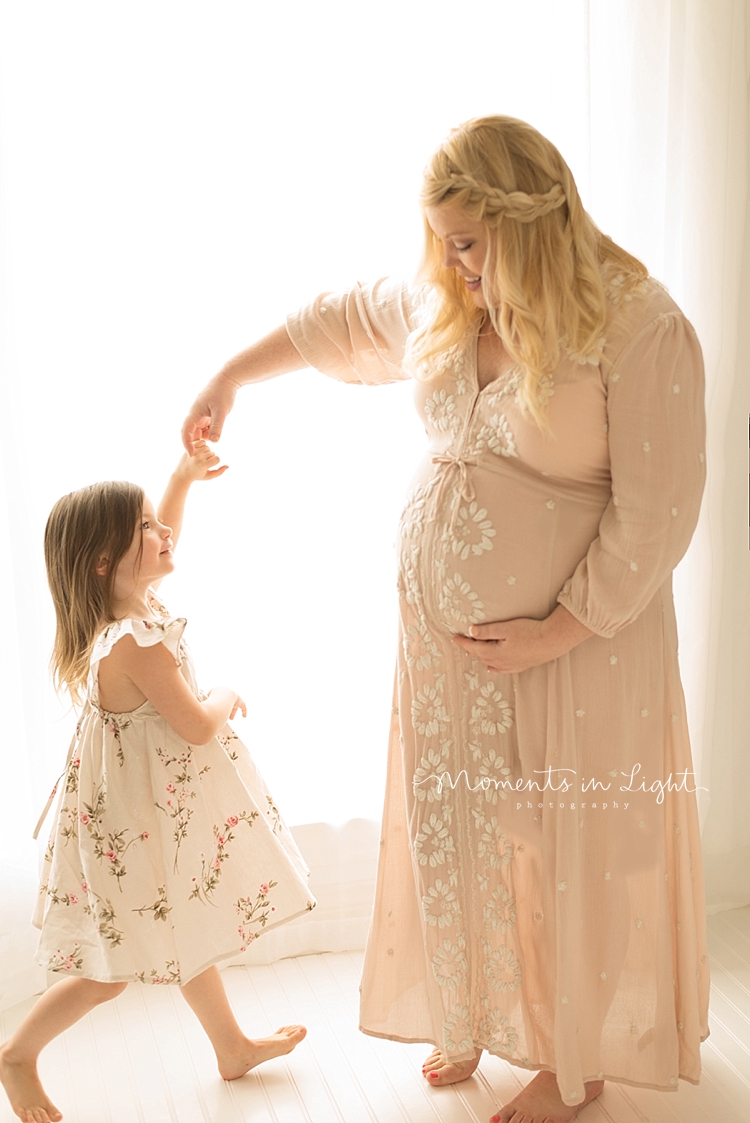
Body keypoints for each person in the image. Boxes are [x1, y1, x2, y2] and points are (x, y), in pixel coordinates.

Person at [180, 116, 709, 1123]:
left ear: (534, 219)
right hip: (448, 652)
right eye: (443, 240)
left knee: (562, 841)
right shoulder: (454, 298)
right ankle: (479, 1010)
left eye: (470, 240)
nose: (452, 262)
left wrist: (559, 628)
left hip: (577, 649)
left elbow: (659, 515)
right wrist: (228, 379)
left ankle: (572, 1062)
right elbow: (341, 320)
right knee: (461, 828)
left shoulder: (638, 325)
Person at [0, 441, 315, 1123]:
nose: (164, 532)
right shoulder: (134, 641)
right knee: (109, 970)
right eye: (147, 527)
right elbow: (198, 725)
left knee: (179, 919)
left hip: (139, 811)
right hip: (128, 822)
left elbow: (158, 537)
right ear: (104, 561)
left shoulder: (128, 608)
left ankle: (229, 1046)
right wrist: (228, 692)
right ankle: (17, 1054)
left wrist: (180, 478)